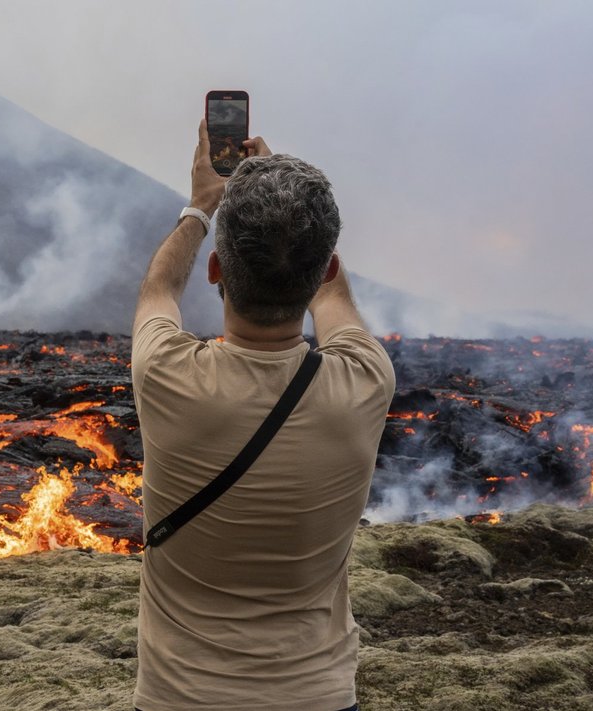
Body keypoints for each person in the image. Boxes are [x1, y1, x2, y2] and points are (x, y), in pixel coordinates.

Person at [130, 120, 395, 710]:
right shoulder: (365, 379)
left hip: (180, 698)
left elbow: (158, 290)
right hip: (319, 696)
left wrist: (202, 207)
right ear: (324, 267)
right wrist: (291, 211)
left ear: (217, 270)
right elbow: (333, 297)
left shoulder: (167, 375)